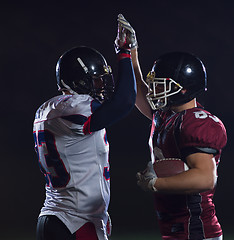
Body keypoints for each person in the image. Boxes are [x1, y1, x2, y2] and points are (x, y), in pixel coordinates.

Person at [116, 15, 227, 240]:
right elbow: (139, 90)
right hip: (177, 228)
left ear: (184, 89)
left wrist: (157, 183)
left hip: (195, 229)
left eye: (161, 85)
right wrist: (129, 52)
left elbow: (206, 178)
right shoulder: (168, 115)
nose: (154, 90)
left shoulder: (196, 122)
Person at [33, 25, 137, 240]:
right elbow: (124, 102)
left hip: (58, 216)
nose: (101, 86)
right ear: (77, 80)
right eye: (96, 79)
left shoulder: (48, 109)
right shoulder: (75, 107)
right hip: (75, 221)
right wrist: (125, 54)